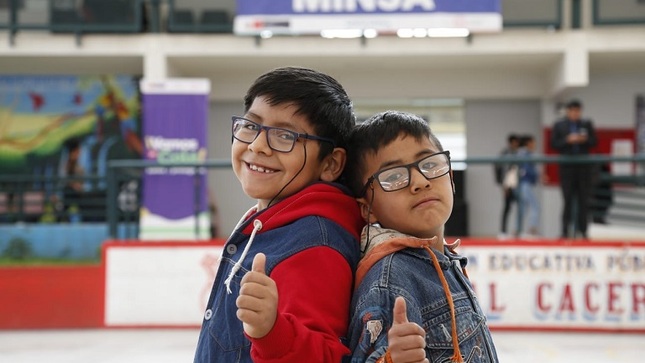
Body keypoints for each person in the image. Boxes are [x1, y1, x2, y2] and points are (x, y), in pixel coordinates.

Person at [193, 66, 364, 363]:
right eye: (250, 126)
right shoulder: (272, 222)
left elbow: (327, 356)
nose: (258, 145)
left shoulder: (315, 245)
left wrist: (271, 331)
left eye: (285, 136)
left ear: (331, 164)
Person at [344, 111, 499, 363]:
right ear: (367, 209)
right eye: (393, 177)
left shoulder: (444, 260)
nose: (420, 181)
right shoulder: (392, 281)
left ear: (450, 176)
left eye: (429, 165)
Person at [550, 99, 598, 239]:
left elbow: (594, 141)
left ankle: (583, 232)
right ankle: (565, 232)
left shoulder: (586, 124)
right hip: (567, 169)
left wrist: (584, 140)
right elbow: (553, 143)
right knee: (567, 201)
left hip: (583, 169)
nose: (575, 113)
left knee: (584, 201)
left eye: (578, 111)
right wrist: (567, 140)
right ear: (568, 111)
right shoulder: (559, 125)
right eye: (572, 110)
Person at [494, 133, 520, 239]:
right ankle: (503, 231)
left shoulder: (519, 153)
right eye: (514, 142)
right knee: (507, 208)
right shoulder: (505, 154)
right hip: (508, 184)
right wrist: (503, 185)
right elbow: (503, 170)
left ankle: (518, 230)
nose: (516, 144)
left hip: (518, 184)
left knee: (520, 207)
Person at [516, 134, 540, 238]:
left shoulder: (520, 153)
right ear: (528, 143)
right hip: (525, 183)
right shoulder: (525, 154)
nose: (535, 144)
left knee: (523, 208)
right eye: (533, 142)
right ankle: (532, 229)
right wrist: (537, 176)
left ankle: (518, 230)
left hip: (523, 183)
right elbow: (527, 170)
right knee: (535, 206)